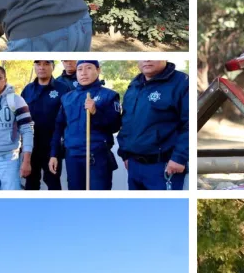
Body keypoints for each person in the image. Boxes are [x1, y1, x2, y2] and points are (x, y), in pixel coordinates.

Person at [117, 61, 189, 190]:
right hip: (134, 166)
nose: (147, 59)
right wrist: (125, 154)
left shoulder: (182, 83)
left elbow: (190, 123)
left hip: (163, 166)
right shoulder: (134, 85)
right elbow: (127, 121)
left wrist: (179, 157)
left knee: (163, 210)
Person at [50, 61, 121, 190]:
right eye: (80, 69)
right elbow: (59, 127)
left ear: (98, 70)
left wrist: (96, 112)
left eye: (89, 68)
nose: (84, 73)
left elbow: (115, 126)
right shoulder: (67, 98)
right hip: (73, 156)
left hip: (96, 156)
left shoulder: (108, 95)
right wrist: (53, 154)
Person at [21, 60, 72, 190]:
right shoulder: (28, 89)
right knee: (30, 183)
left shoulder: (63, 89)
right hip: (31, 145)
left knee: (53, 182)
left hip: (52, 145)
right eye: (38, 64)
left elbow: (68, 118)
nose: (42, 67)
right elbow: (20, 117)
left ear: (53, 67)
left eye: (46, 64)